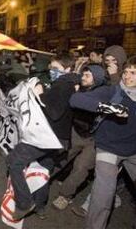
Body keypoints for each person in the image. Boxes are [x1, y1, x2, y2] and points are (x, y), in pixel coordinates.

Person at [69, 54, 136, 229]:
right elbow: (76, 99)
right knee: (103, 195)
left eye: (133, 73)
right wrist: (110, 107)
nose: (126, 76)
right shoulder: (113, 91)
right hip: (109, 148)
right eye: (125, 72)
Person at [7, 52, 80, 220]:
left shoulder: (63, 85)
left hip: (47, 137)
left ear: (68, 68)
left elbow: (54, 112)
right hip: (58, 139)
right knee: (43, 170)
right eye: (51, 68)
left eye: (56, 68)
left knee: (14, 162)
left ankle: (24, 204)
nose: (52, 71)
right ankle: (40, 206)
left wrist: (39, 94)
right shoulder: (67, 83)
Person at [52, 64, 106, 210]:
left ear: (97, 79)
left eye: (87, 76)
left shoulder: (104, 93)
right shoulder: (77, 88)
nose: (83, 77)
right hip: (76, 132)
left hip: (94, 139)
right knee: (62, 158)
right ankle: (40, 180)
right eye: (83, 74)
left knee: (81, 167)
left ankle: (65, 195)